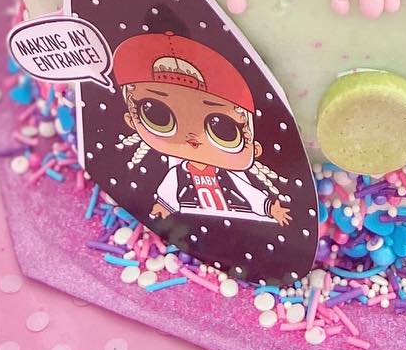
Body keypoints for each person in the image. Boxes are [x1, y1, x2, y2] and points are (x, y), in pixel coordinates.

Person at [113, 32, 292, 225]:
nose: (191, 137)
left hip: (238, 220)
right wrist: (164, 207)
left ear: (255, 149)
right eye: (157, 116)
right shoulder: (178, 174)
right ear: (131, 121)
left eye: (223, 129)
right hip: (189, 222)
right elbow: (169, 191)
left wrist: (270, 208)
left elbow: (249, 193)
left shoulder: (229, 176)